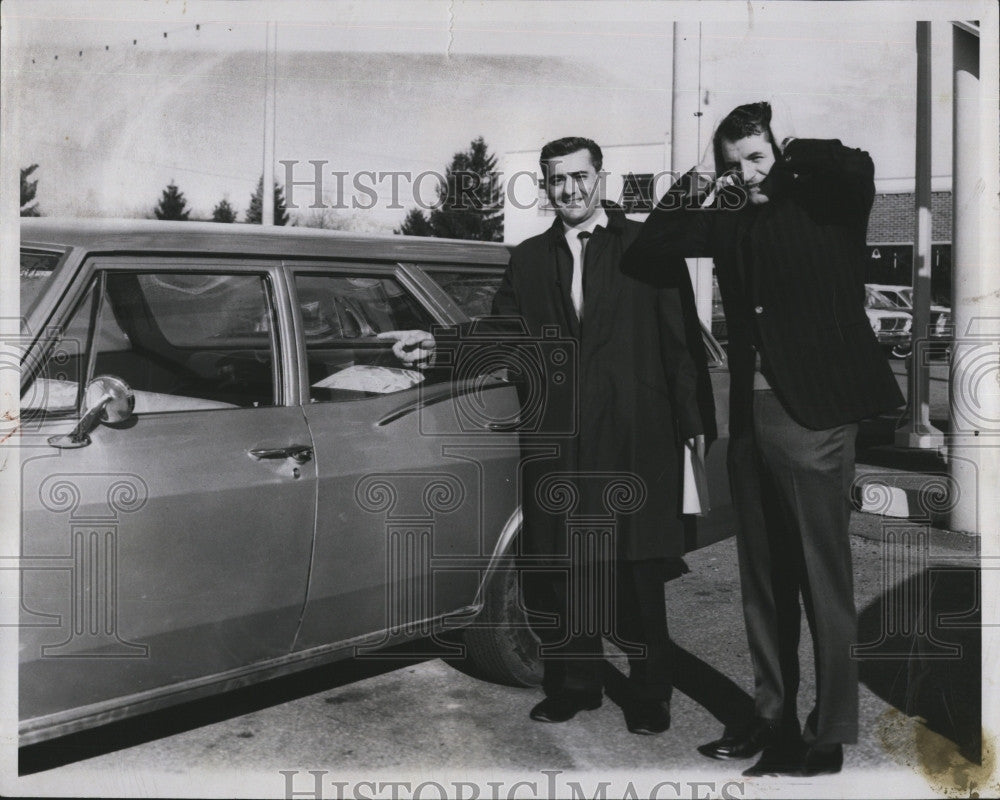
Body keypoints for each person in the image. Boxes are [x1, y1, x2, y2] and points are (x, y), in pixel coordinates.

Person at [382, 136, 714, 735]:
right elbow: (504, 332)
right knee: (570, 568)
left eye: (579, 177)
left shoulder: (645, 246)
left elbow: (679, 341)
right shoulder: (531, 258)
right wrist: (439, 345)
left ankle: (650, 693)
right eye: (557, 180)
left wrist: (694, 427)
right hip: (558, 437)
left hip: (636, 436)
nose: (570, 190)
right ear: (546, 185)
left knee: (637, 573)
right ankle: (577, 684)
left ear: (600, 177)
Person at [623, 102, 904, 776]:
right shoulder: (731, 221)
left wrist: (783, 149)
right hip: (749, 425)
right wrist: (697, 175)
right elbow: (651, 243)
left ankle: (828, 732)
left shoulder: (831, 205)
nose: (744, 173)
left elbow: (852, 165)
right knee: (763, 584)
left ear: (777, 152)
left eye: (754, 158)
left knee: (820, 579)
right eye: (733, 164)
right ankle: (770, 714)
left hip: (815, 416)